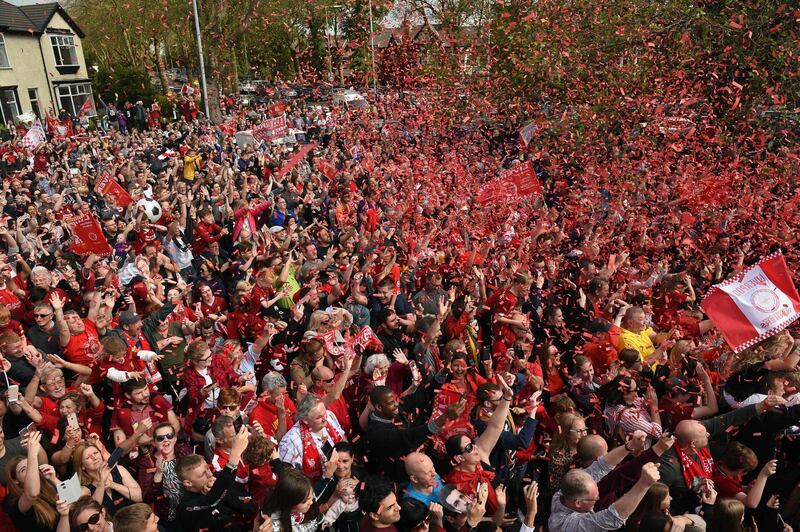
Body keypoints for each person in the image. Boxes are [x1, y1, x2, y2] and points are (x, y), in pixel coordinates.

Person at [176, 425, 252, 531]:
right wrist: (234, 454)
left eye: (208, 469)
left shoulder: (217, 478)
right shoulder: (186, 507)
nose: (209, 475)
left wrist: (225, 491)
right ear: (188, 483)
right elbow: (212, 500)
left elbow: (248, 506)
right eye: (202, 474)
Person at [262, 467, 320, 532]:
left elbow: (313, 522)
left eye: (312, 494)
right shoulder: (274, 525)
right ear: (289, 503)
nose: (311, 502)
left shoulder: (307, 493)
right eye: (304, 501)